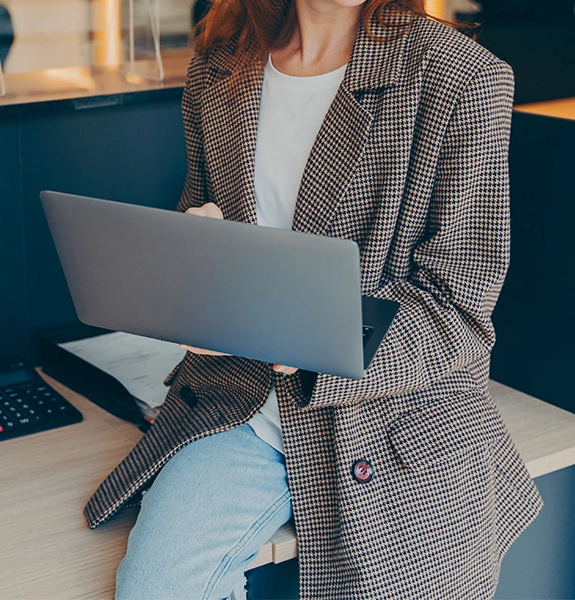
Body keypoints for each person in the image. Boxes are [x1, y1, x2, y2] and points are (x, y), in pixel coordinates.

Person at [83, 0, 543, 597]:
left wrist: (315, 334)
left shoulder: (460, 76)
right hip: (244, 409)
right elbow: (201, 218)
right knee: (153, 588)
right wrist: (194, 281)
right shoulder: (220, 65)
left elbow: (460, 309)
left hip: (394, 423)